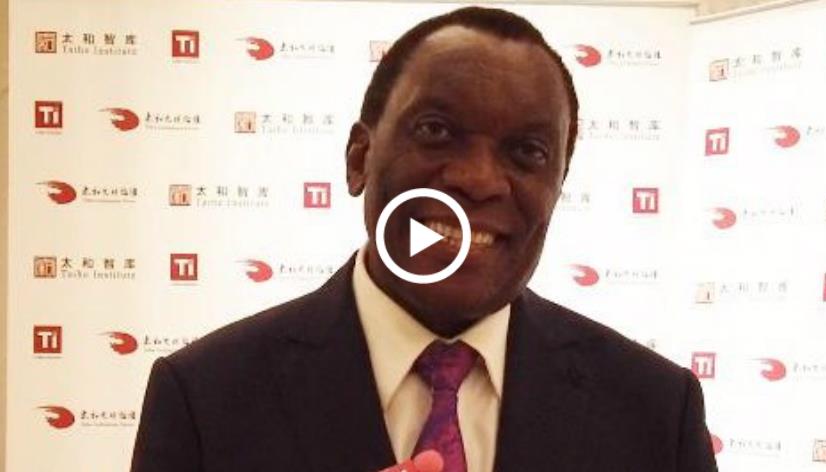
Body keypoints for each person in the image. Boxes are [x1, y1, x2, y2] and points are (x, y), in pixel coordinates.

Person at [131, 6, 718, 472]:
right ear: (359, 158)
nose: (478, 180)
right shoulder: (206, 398)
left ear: (557, 185)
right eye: (436, 131)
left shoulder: (656, 411)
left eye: (527, 152)